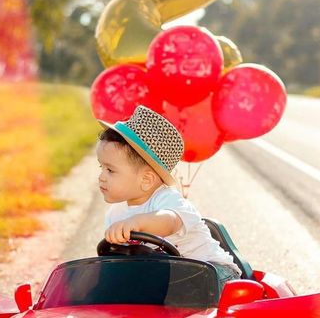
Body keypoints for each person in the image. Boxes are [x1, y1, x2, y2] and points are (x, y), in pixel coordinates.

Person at [96, 104, 241, 288]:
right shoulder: (115, 214)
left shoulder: (168, 201)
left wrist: (137, 222)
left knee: (173, 291)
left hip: (213, 272)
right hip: (168, 276)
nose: (101, 176)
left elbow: (169, 222)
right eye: (101, 167)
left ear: (146, 180)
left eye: (110, 170)